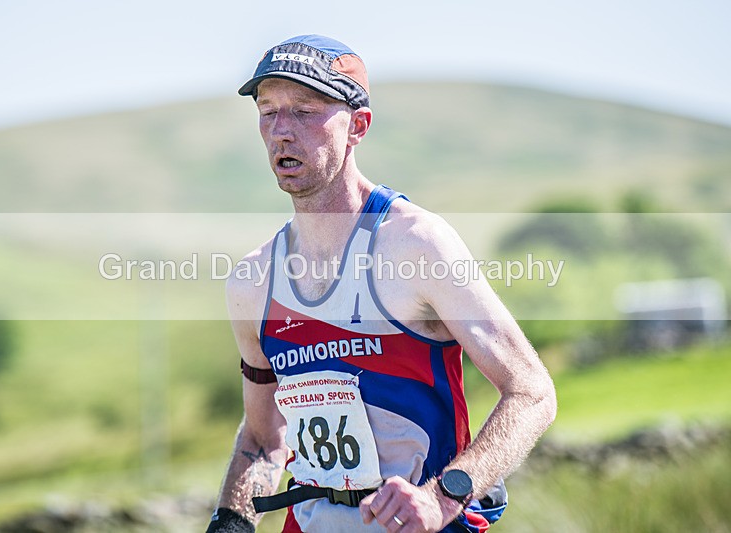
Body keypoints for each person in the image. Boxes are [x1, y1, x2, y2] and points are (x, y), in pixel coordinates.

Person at [207, 35, 556, 533]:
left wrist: (443, 497)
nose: (281, 131)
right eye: (268, 112)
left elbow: (532, 392)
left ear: (358, 126)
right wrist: (230, 525)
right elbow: (263, 442)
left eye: (304, 111)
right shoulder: (254, 281)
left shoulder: (416, 244)